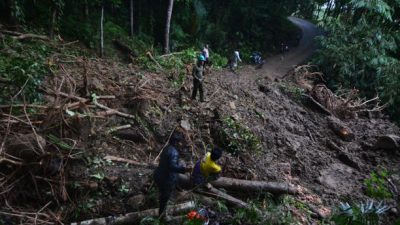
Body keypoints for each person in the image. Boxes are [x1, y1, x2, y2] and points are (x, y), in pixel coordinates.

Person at [153, 130, 189, 218]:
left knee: (163, 194)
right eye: (180, 142)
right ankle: (161, 217)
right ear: (176, 142)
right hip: (166, 179)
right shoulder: (174, 152)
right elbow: (172, 166)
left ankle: (161, 209)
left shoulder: (166, 148)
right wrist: (184, 169)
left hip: (158, 174)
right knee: (164, 199)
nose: (181, 144)